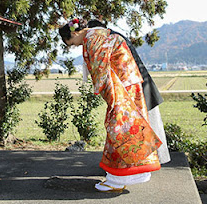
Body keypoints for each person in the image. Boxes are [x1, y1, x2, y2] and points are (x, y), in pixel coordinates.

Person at [59, 18, 162, 193]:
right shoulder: (100, 33)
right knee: (132, 127)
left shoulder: (92, 39)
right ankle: (132, 173)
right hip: (130, 82)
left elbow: (101, 71)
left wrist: (109, 97)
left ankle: (118, 178)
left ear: (74, 32)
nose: (74, 46)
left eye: (71, 43)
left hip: (120, 86)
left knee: (119, 128)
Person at [87, 20, 170, 164]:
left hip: (135, 88)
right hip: (139, 85)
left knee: (145, 128)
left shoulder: (109, 40)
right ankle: (147, 163)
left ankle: (148, 164)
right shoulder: (114, 37)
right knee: (147, 127)